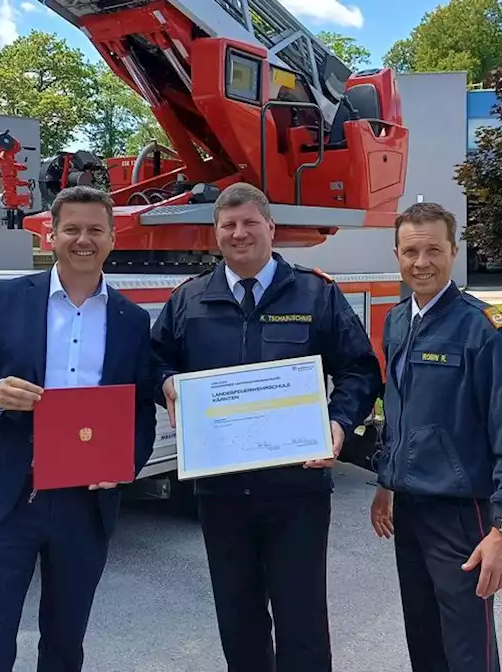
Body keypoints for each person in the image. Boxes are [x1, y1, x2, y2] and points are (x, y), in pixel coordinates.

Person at [150, 181, 382, 672]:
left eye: (250, 222)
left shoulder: (316, 293)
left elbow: (360, 369)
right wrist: (167, 383)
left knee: (303, 621)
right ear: (215, 234)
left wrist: (340, 422)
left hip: (296, 489)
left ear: (271, 227)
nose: (239, 233)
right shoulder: (190, 300)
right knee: (239, 618)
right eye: (228, 225)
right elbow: (153, 361)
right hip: (221, 492)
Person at [0, 185, 158, 672]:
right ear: (51, 235)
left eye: (95, 230)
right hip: (9, 499)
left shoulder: (131, 320)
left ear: (112, 238)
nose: (84, 239)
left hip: (85, 504)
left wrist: (125, 463)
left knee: (65, 642)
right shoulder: (7, 299)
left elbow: (141, 409)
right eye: (72, 229)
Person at [369, 201, 502, 672]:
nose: (420, 262)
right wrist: (386, 483)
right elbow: (399, 411)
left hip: (461, 515)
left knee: (468, 650)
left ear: (454, 251)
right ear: (397, 254)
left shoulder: (487, 330)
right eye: (410, 251)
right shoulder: (398, 321)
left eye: (432, 250)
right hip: (409, 508)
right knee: (423, 640)